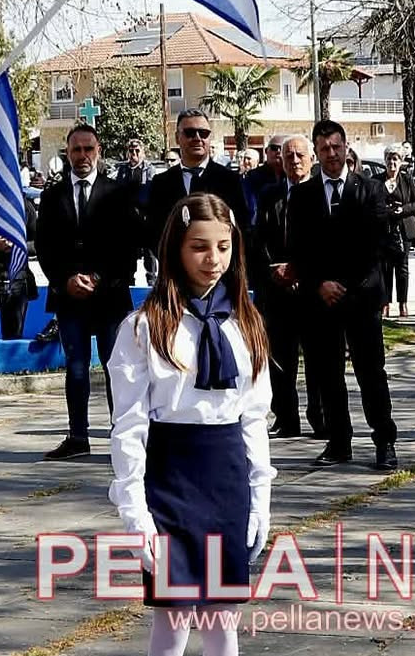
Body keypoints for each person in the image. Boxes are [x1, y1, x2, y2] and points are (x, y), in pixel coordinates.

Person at [108, 193, 272, 656]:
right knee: (174, 623)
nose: (213, 260)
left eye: (224, 248)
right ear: (175, 250)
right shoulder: (144, 325)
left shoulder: (247, 320)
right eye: (200, 246)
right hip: (171, 477)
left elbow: (255, 415)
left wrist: (260, 494)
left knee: (224, 622)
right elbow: (127, 425)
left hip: (226, 473)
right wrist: (135, 514)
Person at [288, 119, 398, 470]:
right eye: (324, 149)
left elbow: (375, 244)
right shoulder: (303, 196)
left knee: (370, 372)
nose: (331, 154)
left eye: (336, 147)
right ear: (317, 152)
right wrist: (320, 282)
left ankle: (384, 440)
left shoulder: (370, 190)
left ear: (346, 147)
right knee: (327, 374)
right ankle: (338, 442)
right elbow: (298, 248)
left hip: (361, 297)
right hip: (320, 300)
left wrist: (346, 285)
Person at [35, 122, 140, 459]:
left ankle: (121, 435)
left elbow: (127, 246)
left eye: (88, 149)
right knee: (76, 366)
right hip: (69, 297)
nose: (82, 155)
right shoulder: (52, 196)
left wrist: (96, 277)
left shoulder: (117, 192)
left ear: (99, 152)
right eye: (76, 149)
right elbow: (45, 246)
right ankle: (78, 437)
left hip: (109, 296)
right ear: (67, 153)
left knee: (115, 367)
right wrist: (65, 279)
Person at [250, 134, 325, 439]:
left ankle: (320, 417)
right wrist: (275, 270)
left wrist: (300, 271)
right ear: (279, 160)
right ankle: (286, 417)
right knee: (280, 358)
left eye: (300, 155)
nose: (294, 160)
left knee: (318, 358)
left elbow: (324, 242)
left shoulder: (321, 192)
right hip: (276, 289)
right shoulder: (269, 194)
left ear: (311, 159)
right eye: (288, 156)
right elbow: (260, 238)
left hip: (311, 288)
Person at [142, 107, 247, 249]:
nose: (197, 138)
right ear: (177, 137)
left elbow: (241, 228)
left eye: (203, 133)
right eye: (190, 133)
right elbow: (153, 231)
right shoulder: (161, 183)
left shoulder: (229, 180)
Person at [378, 144, 415, 318]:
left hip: (402, 231)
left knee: (402, 269)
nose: (392, 163)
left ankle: (403, 304)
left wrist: (402, 210)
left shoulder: (406, 180)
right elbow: (373, 203)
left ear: (401, 161)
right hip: (384, 231)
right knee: (385, 270)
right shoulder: (377, 180)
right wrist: (387, 211)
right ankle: (385, 304)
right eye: (389, 159)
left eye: (395, 159)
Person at [113, 134, 160, 285]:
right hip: (127, 220)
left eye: (137, 151)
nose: (134, 154)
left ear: (143, 152)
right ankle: (128, 282)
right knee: (128, 256)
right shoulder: (122, 170)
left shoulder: (149, 170)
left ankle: (151, 283)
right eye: (131, 151)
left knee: (149, 254)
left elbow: (153, 193)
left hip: (145, 219)